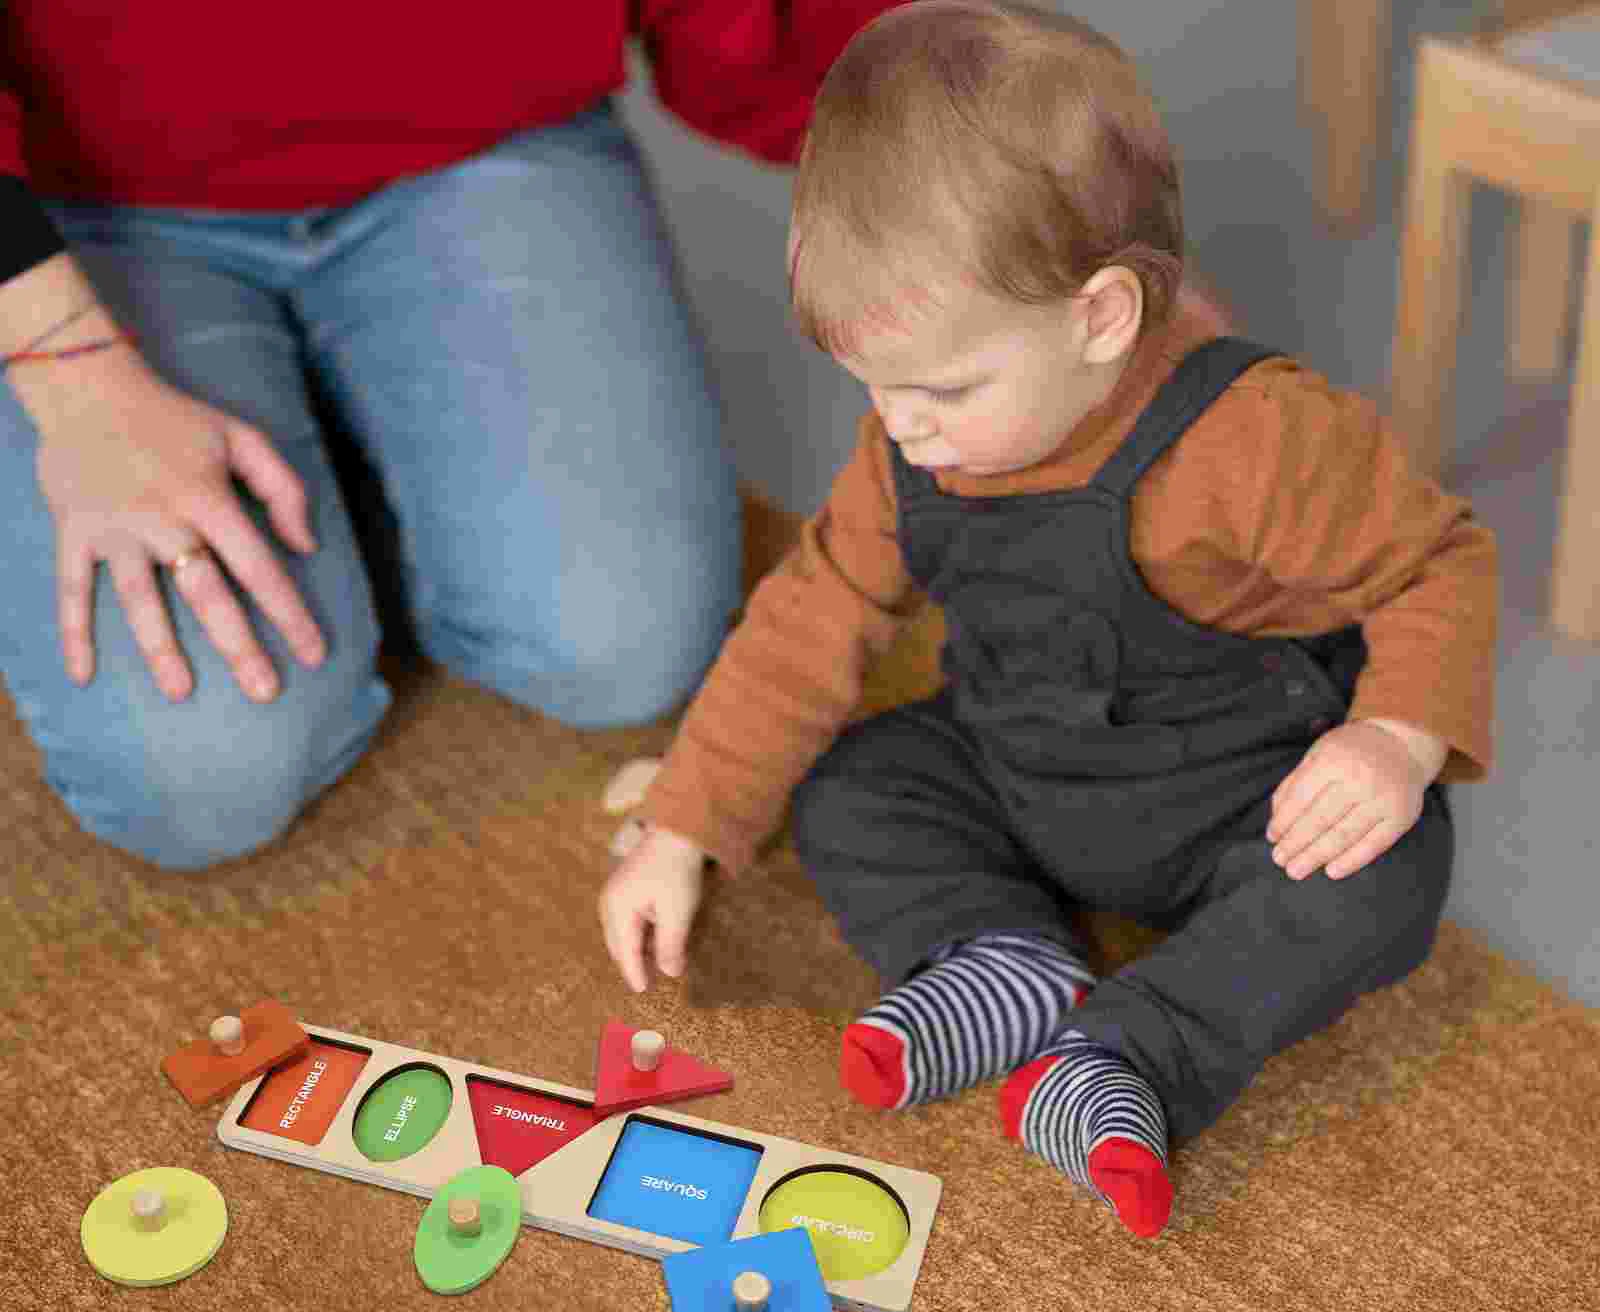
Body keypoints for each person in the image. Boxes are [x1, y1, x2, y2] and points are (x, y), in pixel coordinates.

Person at [599, 0, 1498, 1239]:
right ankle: (1002, 958)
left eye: (943, 388)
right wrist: (683, 823)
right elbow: (812, 617)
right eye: (873, 388)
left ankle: (1130, 1051)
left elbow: (1436, 562)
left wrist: (1392, 737)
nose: (899, 426)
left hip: (1247, 806)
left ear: (1100, 318)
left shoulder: (1254, 434)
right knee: (851, 781)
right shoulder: (911, 437)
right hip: (1019, 768)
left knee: (1388, 875)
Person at [0, 0, 892, 870]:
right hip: (77, 200)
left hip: (473, 137)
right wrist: (75, 381)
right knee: (201, 778)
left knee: (621, 649)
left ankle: (361, 455)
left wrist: (965, 175)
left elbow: (777, 47)